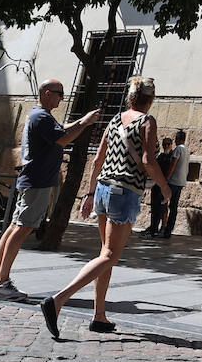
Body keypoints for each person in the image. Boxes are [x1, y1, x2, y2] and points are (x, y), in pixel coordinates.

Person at [39, 76, 170, 338]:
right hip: (124, 192)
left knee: (104, 254)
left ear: (130, 97)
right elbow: (148, 160)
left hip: (102, 188)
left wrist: (88, 193)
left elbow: (97, 158)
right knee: (110, 255)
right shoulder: (147, 121)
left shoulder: (113, 120)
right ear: (151, 100)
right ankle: (57, 301)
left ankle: (99, 316)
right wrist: (165, 189)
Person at [0, 80, 99, 302]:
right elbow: (63, 138)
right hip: (38, 180)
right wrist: (84, 122)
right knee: (21, 228)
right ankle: (1, 284)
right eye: (59, 94)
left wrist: (82, 121)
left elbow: (60, 129)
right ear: (47, 93)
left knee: (15, 227)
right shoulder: (41, 116)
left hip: (33, 179)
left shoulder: (39, 115)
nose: (61, 98)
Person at [144, 134, 176, 237]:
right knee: (154, 207)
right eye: (164, 144)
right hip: (156, 185)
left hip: (164, 185)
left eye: (168, 144)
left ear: (171, 145)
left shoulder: (172, 157)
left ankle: (163, 227)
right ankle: (153, 227)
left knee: (163, 208)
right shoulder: (161, 156)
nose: (166, 146)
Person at [161, 129, 189, 239]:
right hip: (181, 182)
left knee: (165, 203)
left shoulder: (178, 149)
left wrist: (166, 178)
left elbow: (173, 164)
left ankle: (164, 228)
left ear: (177, 139)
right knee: (174, 206)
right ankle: (169, 229)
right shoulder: (186, 150)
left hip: (173, 181)